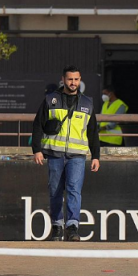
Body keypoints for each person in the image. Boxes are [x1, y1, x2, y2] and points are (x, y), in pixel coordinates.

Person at [32, 66, 101, 242]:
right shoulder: (51, 99)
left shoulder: (87, 103)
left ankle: (72, 227)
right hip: (55, 154)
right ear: (63, 79)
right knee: (55, 191)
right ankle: (57, 225)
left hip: (77, 156)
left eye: (76, 79)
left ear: (80, 80)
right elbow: (38, 124)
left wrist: (96, 156)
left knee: (74, 190)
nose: (73, 83)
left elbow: (93, 132)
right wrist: (37, 150)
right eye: (70, 79)